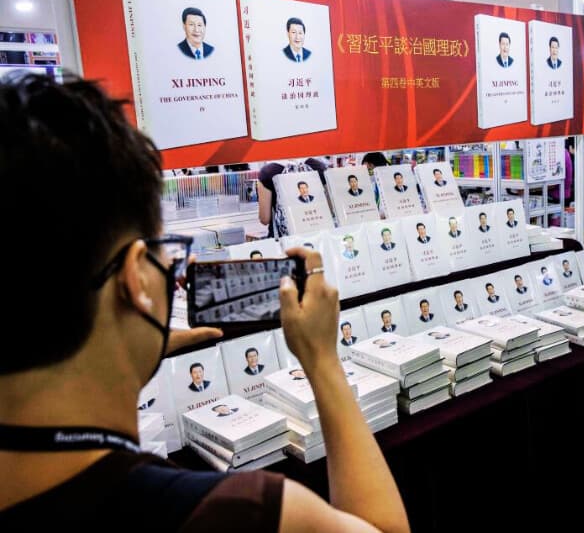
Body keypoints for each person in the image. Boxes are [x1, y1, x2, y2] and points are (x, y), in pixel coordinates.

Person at [0, 74, 410, 533]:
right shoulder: (243, 511)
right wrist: (323, 363)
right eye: (165, 251)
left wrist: (128, 350)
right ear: (135, 277)